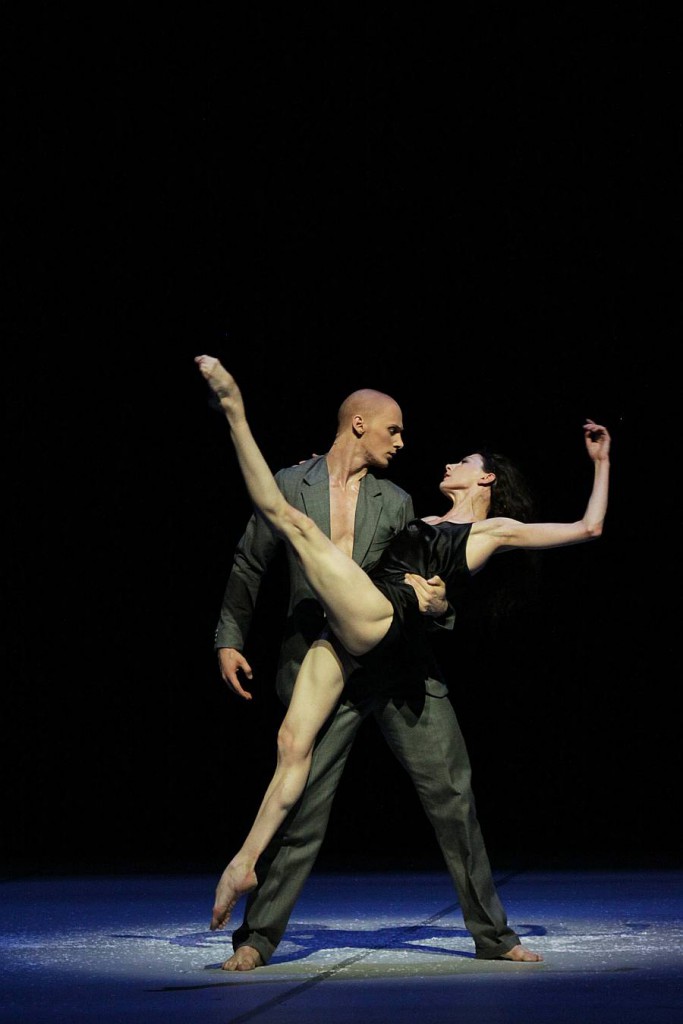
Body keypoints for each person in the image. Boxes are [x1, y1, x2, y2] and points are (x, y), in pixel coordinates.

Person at [196, 356, 602, 967]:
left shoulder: (408, 502)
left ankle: (493, 934)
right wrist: (230, 634)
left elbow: (438, 575)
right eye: (394, 430)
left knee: (452, 796)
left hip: (403, 661)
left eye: (461, 461)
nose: (406, 443)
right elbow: (253, 560)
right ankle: (257, 936)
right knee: (301, 794)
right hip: (335, 649)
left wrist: (435, 602)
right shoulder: (310, 483)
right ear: (358, 424)